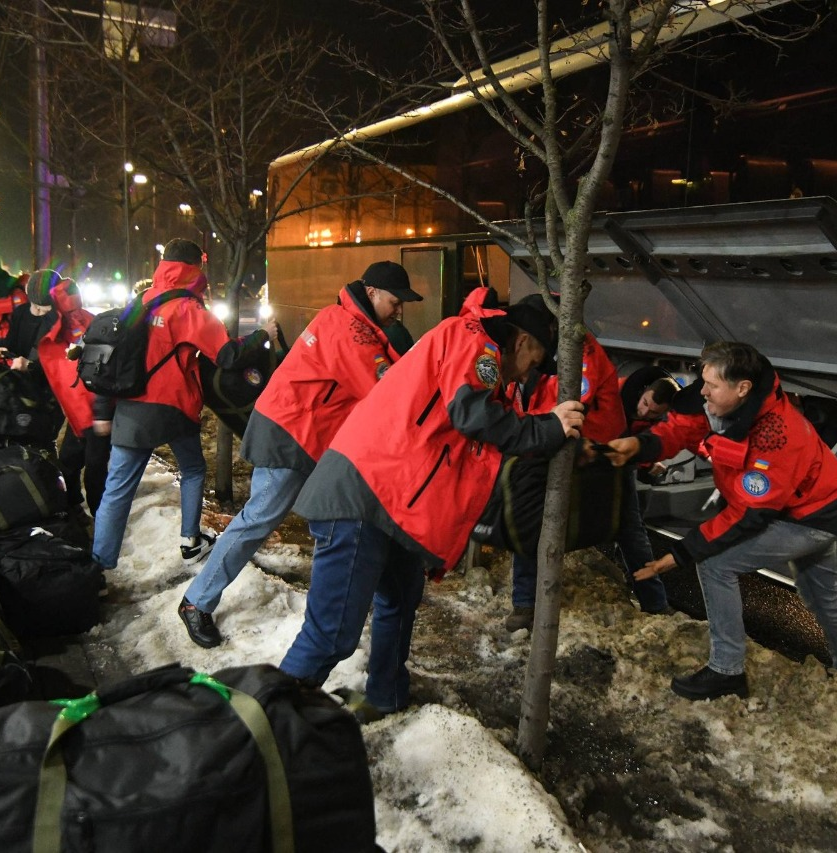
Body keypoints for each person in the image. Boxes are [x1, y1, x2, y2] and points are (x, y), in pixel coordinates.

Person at [278, 288, 585, 714]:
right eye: (535, 360)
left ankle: (387, 699)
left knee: (401, 600)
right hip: (364, 495)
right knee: (332, 633)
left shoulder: (485, 358)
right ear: (522, 342)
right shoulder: (473, 341)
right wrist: (547, 428)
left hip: (393, 502)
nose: (530, 373)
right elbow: (473, 417)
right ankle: (271, 726)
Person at [601, 341, 837, 700]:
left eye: (711, 385)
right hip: (807, 502)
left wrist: (682, 552)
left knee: (714, 563)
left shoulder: (776, 434)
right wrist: (641, 445)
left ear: (742, 388)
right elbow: (681, 429)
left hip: (810, 516)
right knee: (821, 594)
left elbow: (748, 515)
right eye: (703, 381)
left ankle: (727, 671)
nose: (702, 392)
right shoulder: (722, 402)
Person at [177, 260, 421, 648]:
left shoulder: (343, 318)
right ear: (372, 293)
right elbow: (385, 392)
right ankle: (196, 601)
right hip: (291, 435)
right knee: (257, 520)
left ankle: (335, 610)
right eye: (395, 301)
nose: (400, 309)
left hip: (301, 434)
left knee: (328, 516)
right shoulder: (351, 332)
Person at [90, 238, 278, 572]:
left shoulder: (140, 300)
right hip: (173, 407)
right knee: (192, 469)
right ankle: (190, 541)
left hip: (131, 407)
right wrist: (262, 334)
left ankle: (99, 568)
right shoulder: (188, 308)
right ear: (195, 267)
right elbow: (227, 355)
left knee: (117, 490)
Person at [504, 310, 668, 632]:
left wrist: (535, 433)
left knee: (628, 529)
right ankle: (524, 603)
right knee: (529, 520)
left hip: (600, 451)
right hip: (558, 446)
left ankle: (655, 604)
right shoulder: (547, 354)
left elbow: (573, 405)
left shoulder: (580, 353)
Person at [0, 269, 111, 517]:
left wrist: (30, 365)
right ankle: (73, 506)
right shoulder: (56, 320)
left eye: (42, 308)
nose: (38, 312)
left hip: (92, 412)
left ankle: (102, 525)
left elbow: (63, 364)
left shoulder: (73, 325)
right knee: (68, 463)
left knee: (95, 472)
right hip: (78, 412)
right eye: (34, 306)